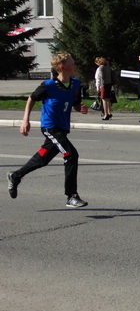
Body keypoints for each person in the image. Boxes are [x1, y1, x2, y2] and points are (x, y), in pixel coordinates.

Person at [7, 53, 90, 208]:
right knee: (71, 154)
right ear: (62, 66)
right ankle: (71, 196)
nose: (75, 65)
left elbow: (76, 104)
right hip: (51, 128)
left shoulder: (76, 84)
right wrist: (25, 120)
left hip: (63, 128)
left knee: (42, 159)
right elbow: (31, 98)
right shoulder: (49, 85)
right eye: (72, 62)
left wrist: (81, 108)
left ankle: (16, 176)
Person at [94, 56, 113, 121]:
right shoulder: (108, 67)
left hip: (103, 85)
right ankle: (109, 112)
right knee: (108, 99)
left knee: (103, 99)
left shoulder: (100, 68)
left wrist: (98, 86)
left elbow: (100, 78)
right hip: (109, 84)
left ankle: (106, 114)